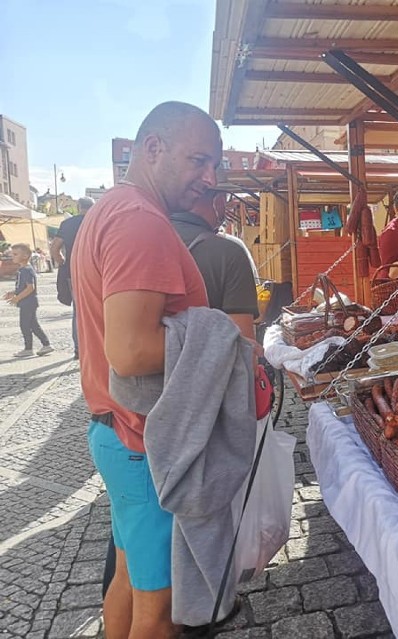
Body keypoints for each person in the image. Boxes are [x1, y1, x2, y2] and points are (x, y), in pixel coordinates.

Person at [72, 101, 221, 638]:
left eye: (215, 166)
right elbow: (131, 350)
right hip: (144, 445)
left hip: (119, 434)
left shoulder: (113, 209)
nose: (209, 179)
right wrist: (220, 336)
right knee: (160, 612)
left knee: (131, 581)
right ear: (152, 149)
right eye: (198, 161)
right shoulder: (143, 222)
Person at [171, 189, 259, 340]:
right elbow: (244, 344)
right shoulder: (229, 253)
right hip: (212, 362)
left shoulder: (140, 245)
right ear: (219, 201)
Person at [51, 196, 95, 358]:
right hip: (96, 271)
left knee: (78, 311)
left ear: (78, 207)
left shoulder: (68, 224)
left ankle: (79, 349)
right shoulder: (98, 219)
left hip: (73, 270)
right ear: (93, 206)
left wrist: (63, 262)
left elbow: (54, 247)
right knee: (99, 307)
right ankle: (98, 345)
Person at [3, 243, 53, 358]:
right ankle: (46, 345)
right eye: (12, 254)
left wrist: (17, 298)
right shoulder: (23, 269)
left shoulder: (26, 270)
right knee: (33, 325)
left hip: (28, 303)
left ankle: (28, 348)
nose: (13, 256)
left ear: (25, 256)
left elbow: (30, 287)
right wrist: (13, 293)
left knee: (25, 325)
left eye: (15, 254)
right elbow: (23, 287)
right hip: (27, 302)